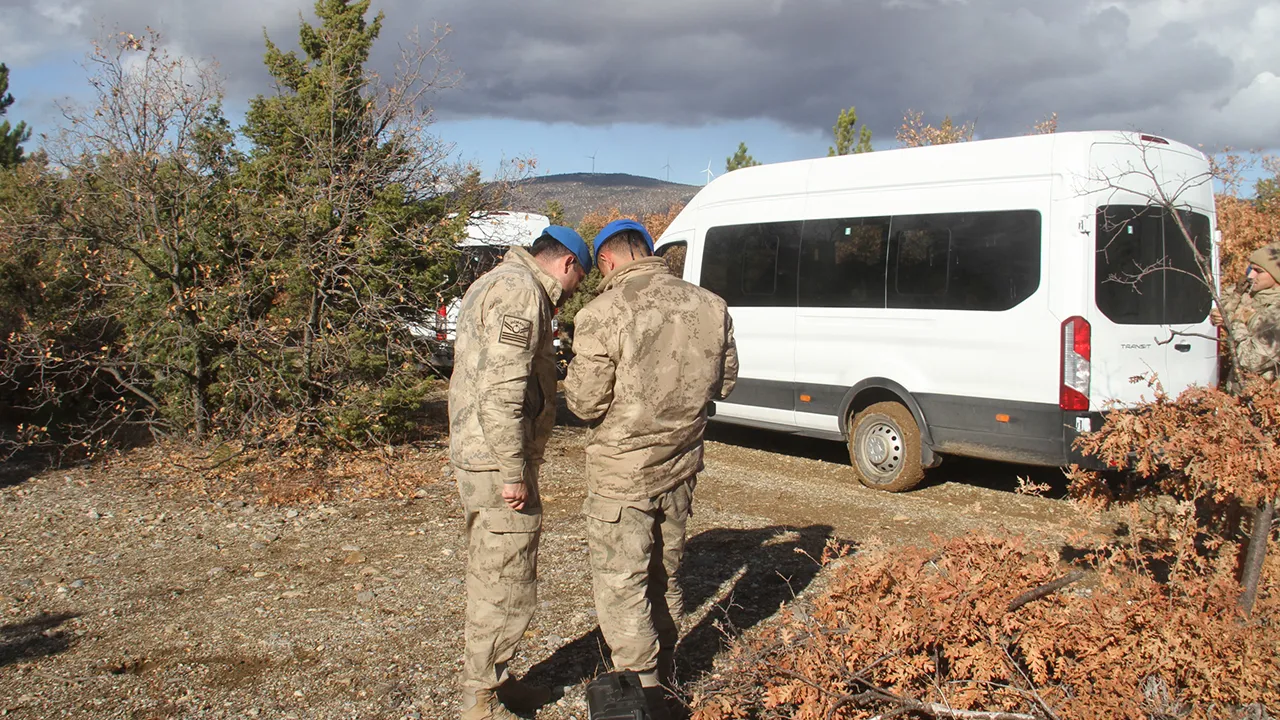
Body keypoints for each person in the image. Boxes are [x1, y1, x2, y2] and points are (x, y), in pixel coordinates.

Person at [564, 219, 739, 706]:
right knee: (665, 573)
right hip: (682, 467)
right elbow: (725, 383)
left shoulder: (604, 312)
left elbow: (583, 402)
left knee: (624, 584)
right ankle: (667, 668)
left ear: (608, 260)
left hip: (623, 477)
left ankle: (642, 692)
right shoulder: (711, 305)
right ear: (648, 249)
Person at [448, 225, 592, 720]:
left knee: (492, 569)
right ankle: (481, 697)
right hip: (496, 460)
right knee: (506, 578)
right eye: (578, 281)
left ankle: (496, 679)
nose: (573, 293)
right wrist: (514, 470)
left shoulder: (494, 280)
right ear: (568, 264)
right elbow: (503, 391)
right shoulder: (521, 292)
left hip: (480, 452)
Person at [1215, 241, 1280, 379]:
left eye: (1259, 271)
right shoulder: (1250, 291)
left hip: (1261, 394)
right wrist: (1222, 314)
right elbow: (1224, 304)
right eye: (1251, 269)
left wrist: (1236, 321)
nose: (1251, 276)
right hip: (1239, 391)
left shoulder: (1276, 313)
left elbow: (1250, 361)